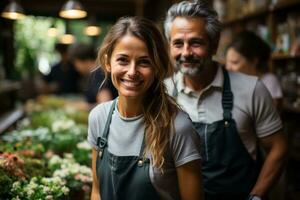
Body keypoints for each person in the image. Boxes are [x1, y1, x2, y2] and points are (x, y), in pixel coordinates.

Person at [164, 1, 287, 200]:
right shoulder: (163, 93)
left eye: (195, 43)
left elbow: (278, 147)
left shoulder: (251, 89)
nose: (186, 53)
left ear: (214, 44)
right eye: (178, 43)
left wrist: (257, 196)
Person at [87, 16, 203, 200]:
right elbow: (97, 192)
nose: (132, 72)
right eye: (123, 60)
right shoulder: (98, 118)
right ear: (108, 63)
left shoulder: (177, 127)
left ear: (157, 67)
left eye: (144, 62)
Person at [226, 31, 283, 110]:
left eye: (234, 62)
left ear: (253, 61)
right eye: (227, 62)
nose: (228, 67)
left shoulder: (269, 81)